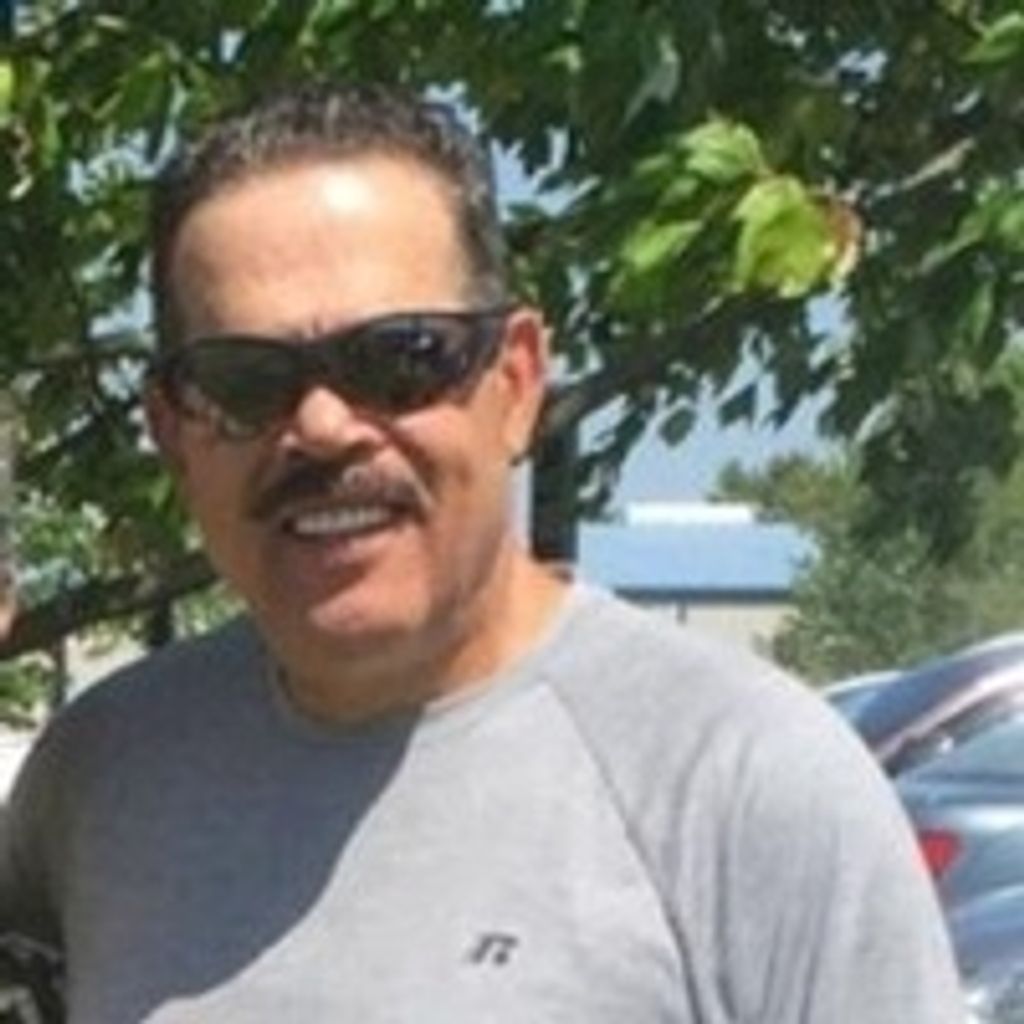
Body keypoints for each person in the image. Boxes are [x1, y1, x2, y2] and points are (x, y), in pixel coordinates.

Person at [0, 81, 964, 1023]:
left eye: (400, 358)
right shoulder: (100, 779)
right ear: (172, 430)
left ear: (517, 381)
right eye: (247, 380)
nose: (324, 426)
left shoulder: (747, 783)